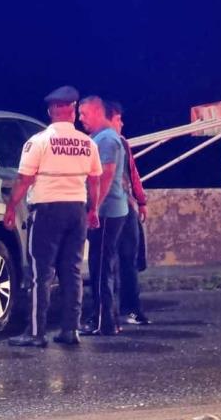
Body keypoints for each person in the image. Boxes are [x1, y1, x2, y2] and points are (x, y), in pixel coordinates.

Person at [5, 86, 102, 347]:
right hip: (77, 209)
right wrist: (93, 209)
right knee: (72, 272)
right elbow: (95, 181)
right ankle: (70, 330)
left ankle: (36, 332)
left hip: (47, 209)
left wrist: (11, 207)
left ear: (51, 111)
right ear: (72, 111)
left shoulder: (39, 141)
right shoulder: (88, 143)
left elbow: (24, 179)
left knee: (41, 273)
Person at [77, 96, 128, 336]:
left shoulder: (106, 139)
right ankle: (109, 319)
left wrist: (93, 208)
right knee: (103, 266)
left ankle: (102, 322)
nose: (80, 119)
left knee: (100, 268)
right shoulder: (103, 138)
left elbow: (105, 177)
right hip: (110, 210)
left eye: (84, 114)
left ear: (98, 112)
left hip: (107, 212)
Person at [106, 101, 150, 325]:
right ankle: (112, 312)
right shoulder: (99, 142)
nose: (121, 123)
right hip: (111, 210)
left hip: (126, 208)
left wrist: (141, 201)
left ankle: (130, 309)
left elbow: (133, 173)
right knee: (112, 262)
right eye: (118, 119)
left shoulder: (121, 142)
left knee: (127, 260)